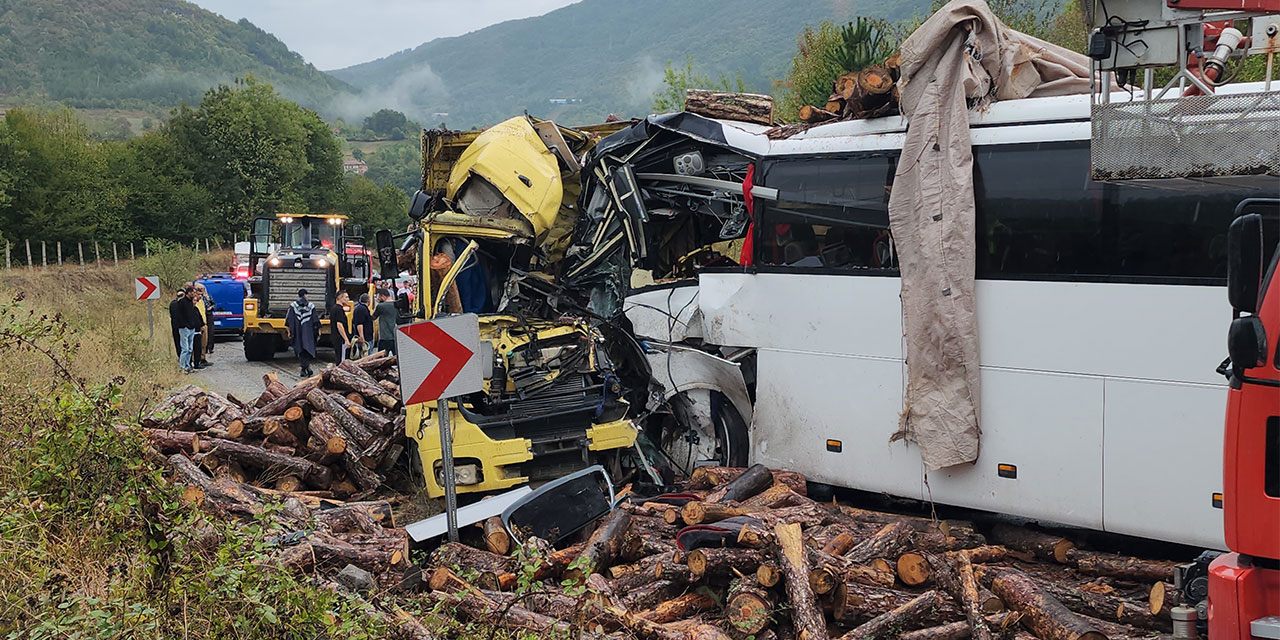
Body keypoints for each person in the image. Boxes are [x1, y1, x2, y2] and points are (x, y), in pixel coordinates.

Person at [285, 289, 319, 377]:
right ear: (304, 295)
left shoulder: (293, 306)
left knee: (300, 349)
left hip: (297, 332)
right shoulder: (311, 306)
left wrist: (289, 331)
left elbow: (288, 320)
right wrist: (318, 331)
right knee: (308, 348)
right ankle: (306, 367)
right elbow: (316, 320)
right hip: (309, 332)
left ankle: (304, 368)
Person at [175, 287, 204, 374]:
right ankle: (182, 367)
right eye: (193, 293)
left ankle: (188, 366)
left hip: (192, 328)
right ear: (188, 293)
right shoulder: (181, 302)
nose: (194, 294)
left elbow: (192, 315)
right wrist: (183, 325)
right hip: (184, 329)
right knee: (185, 348)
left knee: (190, 349)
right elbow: (178, 315)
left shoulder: (190, 303)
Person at [373, 288, 399, 355]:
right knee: (396, 357)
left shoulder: (381, 306)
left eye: (379, 297)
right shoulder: (396, 304)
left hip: (384, 336)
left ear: (383, 296)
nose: (379, 299)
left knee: (380, 358)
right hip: (395, 335)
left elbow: (373, 317)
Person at [329, 291, 352, 363]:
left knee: (338, 358)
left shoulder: (333, 308)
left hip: (336, 337)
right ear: (340, 298)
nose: (348, 299)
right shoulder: (339, 309)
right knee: (342, 361)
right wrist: (346, 339)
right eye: (346, 297)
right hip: (340, 339)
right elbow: (339, 325)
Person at [191, 286, 210, 369]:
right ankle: (195, 360)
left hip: (204, 324)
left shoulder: (202, 302)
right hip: (197, 327)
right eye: (198, 294)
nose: (200, 296)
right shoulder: (194, 303)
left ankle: (202, 358)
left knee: (204, 343)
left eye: (201, 295)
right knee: (196, 344)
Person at [351, 292, 375, 359]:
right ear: (368, 301)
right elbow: (359, 324)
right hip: (365, 337)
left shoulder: (360, 308)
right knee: (366, 357)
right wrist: (362, 337)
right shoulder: (361, 309)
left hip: (367, 336)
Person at [169, 288, 185, 362]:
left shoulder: (172, 304)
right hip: (181, 327)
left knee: (179, 343)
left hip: (176, 326)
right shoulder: (176, 304)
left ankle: (181, 358)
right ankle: (182, 359)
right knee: (182, 343)